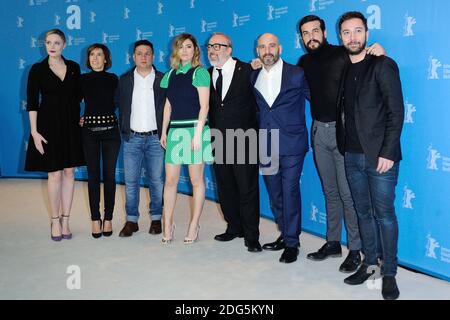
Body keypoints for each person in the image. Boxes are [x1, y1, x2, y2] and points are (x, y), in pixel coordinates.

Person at [297, 15, 385, 272]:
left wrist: (378, 52)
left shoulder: (343, 54)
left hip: (343, 131)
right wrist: (259, 65)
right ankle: (333, 242)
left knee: (348, 195)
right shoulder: (303, 62)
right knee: (330, 191)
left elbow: (367, 65)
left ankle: (356, 250)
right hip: (318, 132)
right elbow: (284, 79)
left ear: (325, 33)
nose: (311, 36)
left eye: (315, 31)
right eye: (305, 33)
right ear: (301, 37)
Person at [336, 12, 404, 300]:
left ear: (366, 33)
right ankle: (369, 262)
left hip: (380, 158)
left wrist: (388, 151)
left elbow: (396, 111)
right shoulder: (343, 68)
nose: (353, 37)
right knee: (363, 213)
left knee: (384, 215)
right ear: (341, 37)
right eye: (347, 33)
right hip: (351, 155)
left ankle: (389, 273)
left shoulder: (382, 64)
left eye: (358, 31)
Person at [251, 33, 310, 263]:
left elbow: (319, 97)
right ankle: (285, 234)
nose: (268, 50)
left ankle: (292, 243)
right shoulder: (252, 74)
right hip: (265, 143)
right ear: (257, 51)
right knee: (275, 194)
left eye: (272, 46)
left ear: (280, 48)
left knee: (290, 191)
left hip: (292, 142)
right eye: (263, 47)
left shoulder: (297, 73)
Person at [25, 29, 85, 241]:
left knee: (69, 172)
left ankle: (66, 220)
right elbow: (32, 103)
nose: (51, 46)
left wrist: (83, 117)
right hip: (48, 126)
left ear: (64, 45)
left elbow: (80, 97)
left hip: (70, 127)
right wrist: (34, 132)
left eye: (56, 42)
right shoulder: (37, 70)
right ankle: (54, 220)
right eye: (48, 42)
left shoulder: (74, 68)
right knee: (54, 174)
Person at [206, 32, 261, 252]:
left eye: (217, 46)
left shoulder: (248, 70)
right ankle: (234, 227)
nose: (212, 50)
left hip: (244, 139)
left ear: (230, 49)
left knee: (247, 188)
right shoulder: (207, 74)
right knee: (225, 186)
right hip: (217, 139)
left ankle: (251, 235)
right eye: (210, 46)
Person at [159, 33, 212, 244]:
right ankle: (167, 222)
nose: (184, 51)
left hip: (195, 131)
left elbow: (204, 106)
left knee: (196, 180)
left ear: (195, 50)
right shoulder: (169, 75)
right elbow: (168, 106)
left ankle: (194, 224)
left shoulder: (200, 73)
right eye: (181, 47)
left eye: (188, 47)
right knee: (170, 180)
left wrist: (198, 134)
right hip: (175, 132)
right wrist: (164, 131)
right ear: (176, 50)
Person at [116, 40, 166, 237]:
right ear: (133, 57)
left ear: (153, 56)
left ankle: (156, 218)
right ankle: (131, 221)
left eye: (147, 53)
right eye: (139, 53)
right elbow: (114, 104)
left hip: (156, 139)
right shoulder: (124, 80)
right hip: (132, 139)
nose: (143, 57)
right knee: (130, 182)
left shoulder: (163, 79)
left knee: (156, 181)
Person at [80, 43, 120, 238]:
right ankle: (95, 219)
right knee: (93, 177)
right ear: (88, 59)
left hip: (112, 133)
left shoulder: (113, 79)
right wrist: (76, 119)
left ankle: (109, 217)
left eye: (99, 55)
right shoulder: (82, 80)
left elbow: (120, 103)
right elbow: (70, 104)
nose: (95, 58)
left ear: (106, 59)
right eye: (92, 55)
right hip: (89, 134)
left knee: (110, 177)